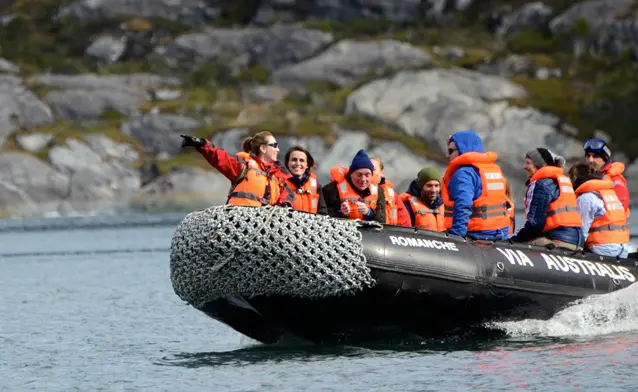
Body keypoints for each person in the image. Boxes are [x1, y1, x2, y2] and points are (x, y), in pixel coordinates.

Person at [180, 131, 294, 207]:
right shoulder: (244, 166)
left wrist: (285, 204)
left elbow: (288, 195)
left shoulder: (280, 176)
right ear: (263, 148)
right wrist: (202, 144)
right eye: (274, 145)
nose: (278, 150)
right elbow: (219, 157)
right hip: (239, 221)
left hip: (265, 226)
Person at [442, 130, 510, 240]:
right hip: (500, 233)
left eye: (450, 151)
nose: (447, 155)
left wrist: (456, 236)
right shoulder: (493, 170)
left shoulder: (464, 174)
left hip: (477, 234)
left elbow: (463, 205)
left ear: (462, 150)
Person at [511, 148, 583, 250]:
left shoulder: (541, 184)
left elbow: (535, 225)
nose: (524, 166)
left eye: (528, 163)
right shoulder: (561, 182)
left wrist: (515, 240)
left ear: (539, 165)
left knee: (519, 246)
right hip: (577, 242)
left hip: (558, 241)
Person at [569, 163, 629, 258]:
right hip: (623, 248)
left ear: (575, 178)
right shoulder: (609, 193)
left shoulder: (586, 197)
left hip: (604, 248)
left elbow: (581, 233)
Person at [323, 149, 386, 222]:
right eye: (359, 175)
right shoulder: (332, 189)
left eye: (367, 175)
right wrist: (341, 213)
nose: (363, 179)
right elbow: (323, 217)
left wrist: (368, 213)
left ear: (371, 175)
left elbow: (382, 221)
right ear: (351, 174)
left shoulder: (378, 190)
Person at [583, 138, 630, 217]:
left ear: (605, 159)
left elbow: (619, 211)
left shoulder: (616, 181)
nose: (590, 160)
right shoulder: (585, 179)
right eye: (588, 156)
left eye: (595, 156)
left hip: (608, 228)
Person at [284, 146, 327, 215]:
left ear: (307, 165)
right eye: (294, 160)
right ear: (287, 163)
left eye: (302, 160)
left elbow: (323, 213)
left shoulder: (317, 187)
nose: (298, 163)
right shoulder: (280, 184)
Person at [400, 167, 445, 231]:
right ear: (420, 186)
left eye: (436, 185)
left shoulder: (442, 204)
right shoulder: (407, 205)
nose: (433, 190)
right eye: (429, 186)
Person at [371, 157, 410, 226]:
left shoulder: (393, 196)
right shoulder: (359, 191)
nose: (370, 173)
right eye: (368, 169)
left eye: (373, 170)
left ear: (382, 173)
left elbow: (405, 223)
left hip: (389, 233)